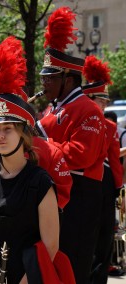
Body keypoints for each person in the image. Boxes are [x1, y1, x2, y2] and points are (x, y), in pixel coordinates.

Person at [0, 38, 71, 283]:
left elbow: (50, 244)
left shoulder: (40, 182)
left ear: (23, 133)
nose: (1, 136)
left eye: (9, 129)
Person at [36, 7, 107, 283]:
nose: (44, 82)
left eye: (50, 77)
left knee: (73, 264)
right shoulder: (53, 109)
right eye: (43, 76)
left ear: (69, 79)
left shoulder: (89, 109)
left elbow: (80, 155)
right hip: (56, 191)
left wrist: (41, 142)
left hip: (80, 195)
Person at [82, 55, 124, 284]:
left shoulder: (75, 118)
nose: (104, 105)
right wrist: (118, 186)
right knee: (102, 233)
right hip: (101, 182)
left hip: (90, 182)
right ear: (90, 97)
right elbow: (114, 163)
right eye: (102, 100)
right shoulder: (108, 126)